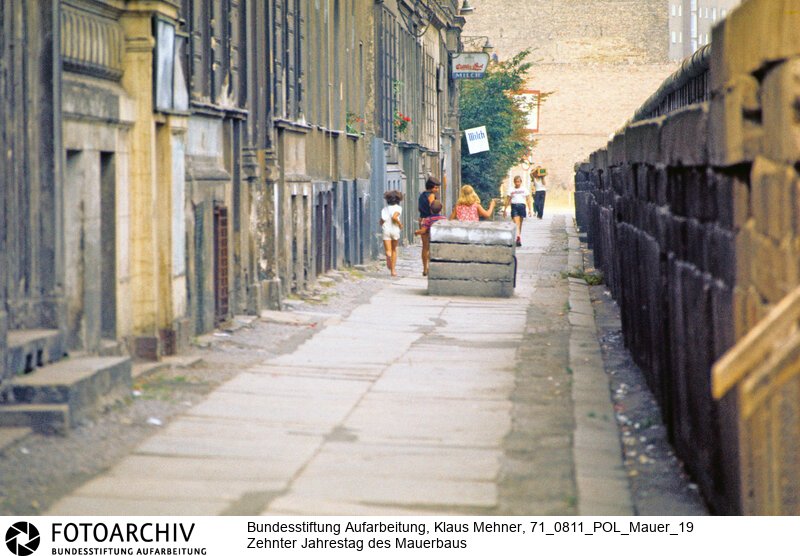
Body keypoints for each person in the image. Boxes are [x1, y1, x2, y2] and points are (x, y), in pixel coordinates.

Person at [415, 200, 447, 276]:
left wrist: (416, 232)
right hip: (441, 239)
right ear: (441, 209)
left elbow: (423, 231)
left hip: (431, 239)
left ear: (430, 209)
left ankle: (425, 268)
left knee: (426, 250)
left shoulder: (428, 219)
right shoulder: (444, 219)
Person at [418, 176, 441, 277]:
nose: (437, 189)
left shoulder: (422, 195)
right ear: (431, 187)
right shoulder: (431, 195)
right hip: (430, 221)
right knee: (431, 245)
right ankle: (429, 267)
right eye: (436, 187)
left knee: (425, 246)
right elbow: (433, 208)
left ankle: (425, 268)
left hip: (422, 220)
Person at [379, 190, 404, 277]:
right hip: (395, 230)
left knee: (388, 251)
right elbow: (394, 217)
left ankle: (388, 256)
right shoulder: (398, 208)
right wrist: (400, 224)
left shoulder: (384, 209)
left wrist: (382, 225)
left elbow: (382, 221)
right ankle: (393, 271)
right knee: (394, 250)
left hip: (386, 230)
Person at [503, 175, 533, 247]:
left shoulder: (524, 189)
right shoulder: (511, 189)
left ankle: (518, 237)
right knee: (516, 223)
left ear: (521, 182)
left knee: (520, 224)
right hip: (514, 206)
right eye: (516, 182)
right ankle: (518, 238)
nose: (517, 183)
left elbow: (528, 199)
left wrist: (530, 209)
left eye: (519, 182)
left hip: (522, 206)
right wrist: (505, 209)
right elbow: (508, 199)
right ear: (514, 182)